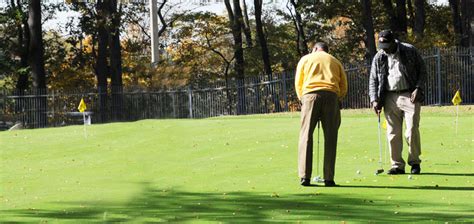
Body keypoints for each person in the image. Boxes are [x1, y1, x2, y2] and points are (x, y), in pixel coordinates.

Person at [369, 30, 426, 175]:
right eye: (382, 45)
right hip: (388, 96)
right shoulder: (379, 56)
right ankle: (397, 165)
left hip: (409, 94)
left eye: (387, 45)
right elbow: (373, 79)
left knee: (411, 130)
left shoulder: (409, 50)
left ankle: (414, 162)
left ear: (394, 41)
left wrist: (419, 88)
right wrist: (374, 99)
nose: (385, 48)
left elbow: (422, 70)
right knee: (392, 133)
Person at [295, 42, 348, 187]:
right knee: (331, 137)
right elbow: (344, 84)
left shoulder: (306, 59)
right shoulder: (335, 61)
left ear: (315, 49)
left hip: (310, 95)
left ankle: (305, 176)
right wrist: (339, 98)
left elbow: (298, 81)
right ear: (327, 50)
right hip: (331, 96)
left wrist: (302, 98)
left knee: (306, 136)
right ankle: (329, 178)